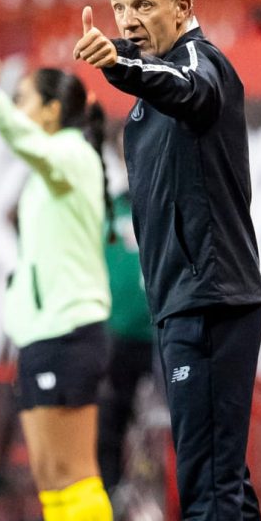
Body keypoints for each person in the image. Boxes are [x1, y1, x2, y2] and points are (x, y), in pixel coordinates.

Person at [75, 0, 261, 521]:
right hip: (181, 301)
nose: (131, 20)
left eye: (146, 5)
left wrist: (116, 64)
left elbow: (186, 91)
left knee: (205, 474)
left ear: (183, 7)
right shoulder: (143, 102)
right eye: (122, 8)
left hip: (213, 297)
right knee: (218, 470)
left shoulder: (201, 67)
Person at [0, 60, 119, 521]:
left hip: (69, 330)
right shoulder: (58, 165)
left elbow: (28, 143)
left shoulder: (72, 155)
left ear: (53, 111)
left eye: (25, 100)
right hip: (41, 333)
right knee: (53, 475)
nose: (20, 110)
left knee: (76, 470)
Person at [98, 189, 156, 496]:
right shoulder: (108, 210)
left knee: (177, 425)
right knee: (110, 423)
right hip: (118, 335)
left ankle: (183, 518)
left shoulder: (164, 200)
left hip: (163, 332)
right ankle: (110, 502)